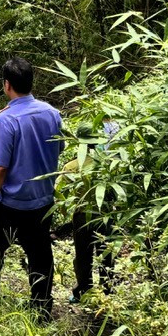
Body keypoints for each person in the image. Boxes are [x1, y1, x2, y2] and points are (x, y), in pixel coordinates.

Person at [0, 56, 63, 317]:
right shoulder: (52, 113)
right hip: (43, 200)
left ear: (7, 85)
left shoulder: (6, 120)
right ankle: (42, 308)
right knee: (40, 254)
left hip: (11, 203)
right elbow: (60, 148)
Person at [70, 118, 118, 302]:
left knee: (83, 257)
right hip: (105, 216)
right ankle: (108, 291)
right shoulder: (108, 165)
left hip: (81, 217)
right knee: (106, 255)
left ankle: (84, 290)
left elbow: (61, 196)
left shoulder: (71, 166)